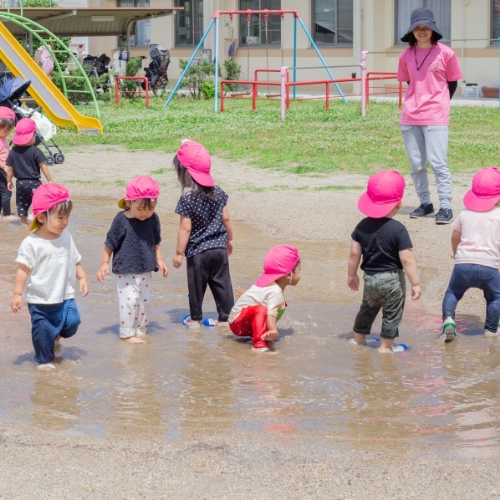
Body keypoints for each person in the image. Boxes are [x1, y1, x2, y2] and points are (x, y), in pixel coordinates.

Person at [11, 183, 88, 371]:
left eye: (67, 217)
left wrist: (83, 278)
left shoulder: (67, 237)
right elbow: (23, 269)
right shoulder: (31, 243)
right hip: (40, 298)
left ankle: (55, 338)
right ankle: (43, 361)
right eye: (60, 217)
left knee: (73, 322)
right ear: (42, 217)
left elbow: (75, 260)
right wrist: (17, 294)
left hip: (65, 295)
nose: (65, 222)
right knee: (42, 331)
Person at [397, 7, 463, 225]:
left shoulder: (446, 53)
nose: (422, 31)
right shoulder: (405, 55)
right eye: (418, 27)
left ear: (433, 29)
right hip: (410, 116)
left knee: (438, 163)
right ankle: (425, 203)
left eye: (426, 27)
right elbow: (410, 82)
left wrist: (439, 102)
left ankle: (445, 206)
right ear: (412, 31)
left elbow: (452, 82)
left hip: (436, 115)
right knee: (416, 164)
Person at [348, 170, 421, 353]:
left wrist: (351, 275)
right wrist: (416, 283)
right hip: (392, 280)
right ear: (399, 203)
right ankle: (385, 347)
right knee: (392, 313)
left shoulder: (361, 226)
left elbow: (354, 253)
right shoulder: (398, 230)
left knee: (367, 308)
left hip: (370, 278)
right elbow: (407, 259)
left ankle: (358, 340)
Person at [96, 176, 168, 344]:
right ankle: (127, 334)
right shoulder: (121, 220)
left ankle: (141, 330)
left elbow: (156, 241)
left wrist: (160, 259)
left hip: (146, 269)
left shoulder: (153, 218)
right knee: (129, 303)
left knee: (144, 303)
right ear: (129, 203)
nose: (145, 213)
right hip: (126, 271)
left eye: (150, 208)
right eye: (141, 209)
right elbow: (110, 242)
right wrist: (104, 263)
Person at [172, 140, 235, 328]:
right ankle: (225, 318)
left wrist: (178, 253)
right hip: (219, 249)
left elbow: (185, 228)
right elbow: (226, 219)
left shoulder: (187, 198)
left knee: (196, 287)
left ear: (186, 175)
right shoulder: (219, 192)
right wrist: (229, 239)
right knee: (223, 284)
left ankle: (195, 319)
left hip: (198, 253)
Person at [442, 167, 500, 341]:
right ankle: (490, 330)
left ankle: (449, 320)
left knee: (452, 292)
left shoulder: (465, 213)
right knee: (495, 297)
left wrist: (455, 253)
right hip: (490, 266)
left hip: (463, 265)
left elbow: (455, 236)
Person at [229, 245, 301, 353]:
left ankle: (261, 337)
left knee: (269, 307)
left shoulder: (270, 286)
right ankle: (259, 345)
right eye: (299, 271)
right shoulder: (275, 291)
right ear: (288, 275)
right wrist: (273, 330)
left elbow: (258, 295)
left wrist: (245, 295)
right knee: (262, 309)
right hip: (237, 323)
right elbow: (270, 315)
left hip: (240, 321)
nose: (300, 275)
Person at [6, 118, 53, 226]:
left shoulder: (13, 151)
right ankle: (35, 219)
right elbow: (43, 166)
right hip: (34, 183)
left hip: (20, 183)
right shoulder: (35, 151)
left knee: (21, 204)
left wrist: (9, 181)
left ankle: (23, 222)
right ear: (32, 136)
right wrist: (49, 180)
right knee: (37, 201)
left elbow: (9, 169)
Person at [0, 107, 16, 221]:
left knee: (2, 191)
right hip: (2, 169)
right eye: (5, 131)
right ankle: (7, 214)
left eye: (9, 131)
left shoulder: (3, 138)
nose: (7, 133)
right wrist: (5, 167)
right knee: (7, 191)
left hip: (5, 168)